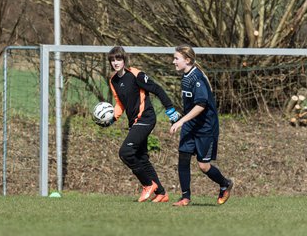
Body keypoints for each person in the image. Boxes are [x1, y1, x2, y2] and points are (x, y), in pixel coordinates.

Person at [96, 46, 181, 203]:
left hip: (146, 118)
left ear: (124, 60)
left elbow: (157, 89)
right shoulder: (113, 81)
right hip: (134, 122)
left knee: (126, 152)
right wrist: (111, 120)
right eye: (113, 60)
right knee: (141, 158)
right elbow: (120, 103)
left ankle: (147, 184)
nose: (115, 62)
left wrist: (170, 110)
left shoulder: (136, 75)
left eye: (118, 59)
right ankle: (161, 193)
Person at [170, 44, 233, 206]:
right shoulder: (185, 76)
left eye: (176, 58)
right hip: (191, 126)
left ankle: (225, 184)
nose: (173, 61)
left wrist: (182, 120)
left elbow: (201, 105)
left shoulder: (196, 78)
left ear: (187, 60)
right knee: (183, 158)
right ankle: (185, 197)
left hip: (206, 128)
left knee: (203, 166)